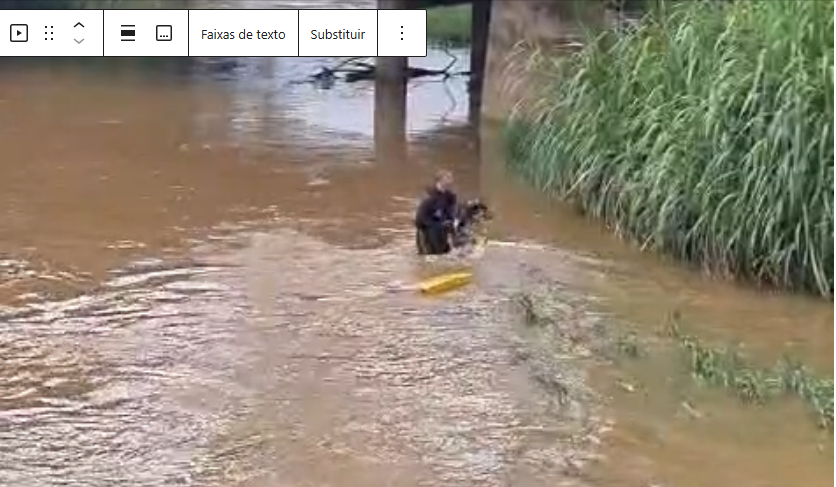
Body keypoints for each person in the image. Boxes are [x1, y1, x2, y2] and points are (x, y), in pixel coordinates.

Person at [414, 169, 458, 255]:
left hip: (442, 230)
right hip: (427, 232)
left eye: (451, 178)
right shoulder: (429, 197)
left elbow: (451, 213)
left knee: (444, 254)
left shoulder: (450, 196)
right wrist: (435, 225)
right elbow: (419, 220)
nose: (451, 181)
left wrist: (451, 226)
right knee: (428, 257)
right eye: (448, 178)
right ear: (440, 180)